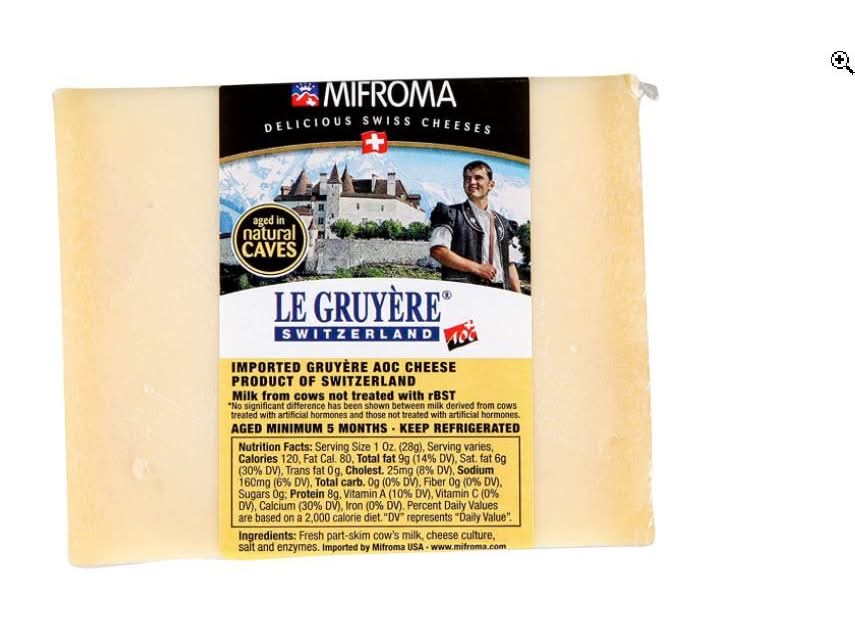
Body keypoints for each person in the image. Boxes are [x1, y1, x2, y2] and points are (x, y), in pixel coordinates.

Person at [429, 160, 521, 292]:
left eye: (478, 178)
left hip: (499, 294)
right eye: (467, 178)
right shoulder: (451, 214)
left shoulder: (503, 223)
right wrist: (477, 268)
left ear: (491, 185)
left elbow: (509, 264)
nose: (472, 182)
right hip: (463, 293)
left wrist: (518, 295)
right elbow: (438, 251)